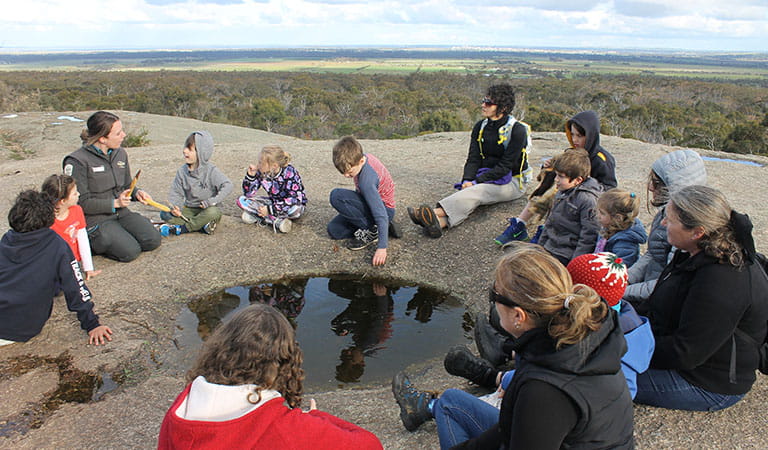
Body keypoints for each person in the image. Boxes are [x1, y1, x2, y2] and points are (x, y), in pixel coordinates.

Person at [392, 243, 633, 449]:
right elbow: (507, 429)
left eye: (493, 295)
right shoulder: (579, 337)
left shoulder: (545, 391)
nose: (492, 303)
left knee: (452, 406)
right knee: (451, 401)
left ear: (519, 316)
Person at [158, 303, 382, 449]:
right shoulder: (287, 430)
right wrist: (317, 418)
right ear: (283, 363)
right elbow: (371, 445)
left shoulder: (180, 412)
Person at [445, 252, 654, 401]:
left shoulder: (601, 342)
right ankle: (508, 350)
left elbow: (614, 392)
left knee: (453, 403)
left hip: (559, 401)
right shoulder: (613, 317)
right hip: (551, 381)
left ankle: (494, 371)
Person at [634, 185, 768, 411]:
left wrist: (623, 347)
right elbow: (660, 304)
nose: (663, 224)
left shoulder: (722, 280)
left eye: (670, 219)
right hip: (683, 358)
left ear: (698, 231)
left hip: (707, 382)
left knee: (593, 376)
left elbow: (685, 352)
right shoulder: (693, 252)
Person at [408, 84, 530, 239]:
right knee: (470, 192)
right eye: (484, 101)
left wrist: (476, 181)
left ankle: (431, 213)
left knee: (477, 191)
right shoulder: (480, 127)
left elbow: (506, 166)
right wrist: (467, 179)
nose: (483, 105)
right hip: (487, 175)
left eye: (488, 103)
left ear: (503, 107)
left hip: (512, 181)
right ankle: (440, 223)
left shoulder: (517, 130)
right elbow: (473, 158)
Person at [0, 190, 113, 346]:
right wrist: (92, 324)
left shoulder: (7, 239)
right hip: (22, 326)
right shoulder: (55, 244)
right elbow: (74, 285)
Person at [494, 109, 617, 245]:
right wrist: (548, 168)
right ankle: (520, 224)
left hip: (587, 199)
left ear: (591, 135)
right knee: (549, 184)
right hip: (569, 192)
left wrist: (583, 185)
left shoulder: (601, 159)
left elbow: (610, 188)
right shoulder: (572, 153)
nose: (575, 140)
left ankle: (545, 229)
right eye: (572, 134)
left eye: (580, 136)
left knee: (555, 194)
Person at [63, 111, 161, 262]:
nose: (124, 135)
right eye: (118, 133)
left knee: (152, 240)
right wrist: (114, 203)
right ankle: (92, 241)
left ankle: (117, 234)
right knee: (130, 252)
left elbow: (127, 184)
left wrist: (137, 193)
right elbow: (80, 202)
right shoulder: (77, 161)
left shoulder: (120, 154)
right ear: (102, 138)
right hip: (95, 219)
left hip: (121, 213)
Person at [623, 149, 707, 305]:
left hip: (660, 301)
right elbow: (653, 254)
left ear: (672, 186)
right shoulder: (666, 212)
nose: (650, 187)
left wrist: (620, 292)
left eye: (656, 183)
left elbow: (668, 281)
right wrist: (623, 280)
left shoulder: (686, 228)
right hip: (647, 289)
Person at [327, 135, 399, 266]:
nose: (345, 175)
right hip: (371, 203)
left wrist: (382, 248)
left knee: (337, 196)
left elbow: (380, 213)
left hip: (384, 210)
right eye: (342, 172)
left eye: (349, 172)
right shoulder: (362, 157)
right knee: (334, 230)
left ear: (360, 161)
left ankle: (374, 231)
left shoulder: (367, 181)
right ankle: (384, 228)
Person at [534, 148, 602, 266]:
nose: (556, 180)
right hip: (550, 247)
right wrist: (540, 247)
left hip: (567, 255)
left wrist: (575, 265)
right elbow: (550, 222)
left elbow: (588, 237)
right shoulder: (562, 191)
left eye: (561, 176)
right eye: (556, 175)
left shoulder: (587, 200)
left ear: (578, 180)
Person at [161, 131, 233, 236]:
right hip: (189, 210)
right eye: (185, 147)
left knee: (213, 213)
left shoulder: (211, 171)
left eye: (190, 149)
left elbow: (228, 185)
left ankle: (184, 228)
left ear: (201, 153)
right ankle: (201, 226)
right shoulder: (182, 172)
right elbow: (176, 193)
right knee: (164, 214)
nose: (184, 151)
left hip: (207, 210)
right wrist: (175, 208)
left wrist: (212, 201)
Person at [41, 174, 101, 280]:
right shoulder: (46, 221)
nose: (78, 194)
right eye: (74, 194)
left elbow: (83, 239)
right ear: (62, 201)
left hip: (72, 260)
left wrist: (88, 268)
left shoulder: (77, 210)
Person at [237, 145, 307, 233]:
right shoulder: (262, 172)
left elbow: (295, 199)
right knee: (242, 200)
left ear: (274, 166)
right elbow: (249, 194)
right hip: (273, 202)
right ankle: (275, 220)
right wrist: (251, 176)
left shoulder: (289, 172)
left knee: (295, 211)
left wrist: (270, 209)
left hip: (290, 205)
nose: (258, 165)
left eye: (261, 163)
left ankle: (262, 217)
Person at [595, 188, 647, 267]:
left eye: (602, 213)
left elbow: (621, 267)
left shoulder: (626, 242)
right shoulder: (608, 227)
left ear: (617, 218)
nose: (598, 216)